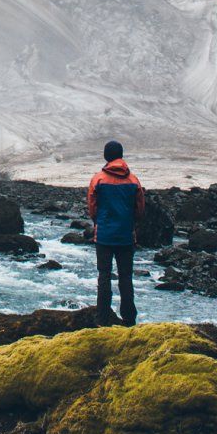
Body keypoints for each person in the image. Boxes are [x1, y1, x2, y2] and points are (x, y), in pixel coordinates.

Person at [85, 138, 144, 326]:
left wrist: (98, 222)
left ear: (106, 156)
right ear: (121, 156)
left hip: (104, 235)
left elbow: (92, 207)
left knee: (104, 276)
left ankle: (102, 319)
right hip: (126, 235)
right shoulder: (133, 180)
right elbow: (140, 209)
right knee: (126, 277)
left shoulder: (98, 179)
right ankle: (129, 319)